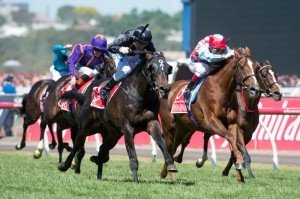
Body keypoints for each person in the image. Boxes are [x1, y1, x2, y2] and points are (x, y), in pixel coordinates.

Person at [99, 25, 156, 101]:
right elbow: (109, 47)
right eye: (139, 43)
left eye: (144, 44)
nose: (141, 46)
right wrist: (120, 48)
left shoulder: (148, 42)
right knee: (127, 69)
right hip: (119, 55)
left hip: (134, 57)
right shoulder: (126, 36)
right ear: (134, 39)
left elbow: (152, 53)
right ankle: (106, 88)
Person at [183, 34, 235, 101]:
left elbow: (230, 52)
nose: (219, 51)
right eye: (216, 50)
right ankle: (189, 88)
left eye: (221, 49)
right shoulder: (202, 46)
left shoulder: (220, 44)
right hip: (196, 63)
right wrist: (225, 56)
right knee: (204, 68)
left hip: (210, 63)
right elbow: (210, 58)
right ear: (210, 45)